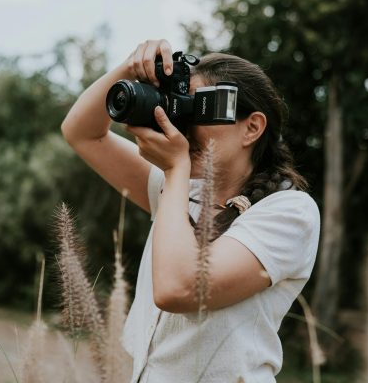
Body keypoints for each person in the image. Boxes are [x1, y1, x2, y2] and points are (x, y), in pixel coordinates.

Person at [61, 39, 321, 382]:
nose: (185, 124)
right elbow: (82, 133)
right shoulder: (178, 188)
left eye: (201, 109)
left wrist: (174, 170)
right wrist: (130, 68)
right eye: (181, 107)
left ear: (253, 128)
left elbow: (177, 290)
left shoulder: (290, 212)